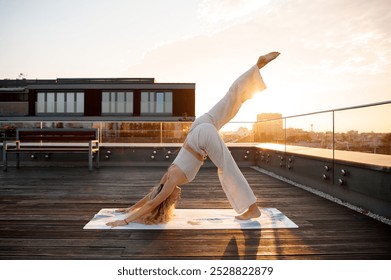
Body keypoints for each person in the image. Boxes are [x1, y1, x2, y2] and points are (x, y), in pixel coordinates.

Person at [106, 52, 280, 227]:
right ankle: (257, 66)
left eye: (174, 200)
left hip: (201, 136)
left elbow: (152, 202)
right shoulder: (166, 178)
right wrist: (129, 208)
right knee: (230, 98)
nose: (178, 198)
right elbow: (149, 197)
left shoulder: (171, 182)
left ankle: (251, 207)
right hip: (197, 128)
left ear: (167, 198)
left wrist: (125, 220)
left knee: (226, 166)